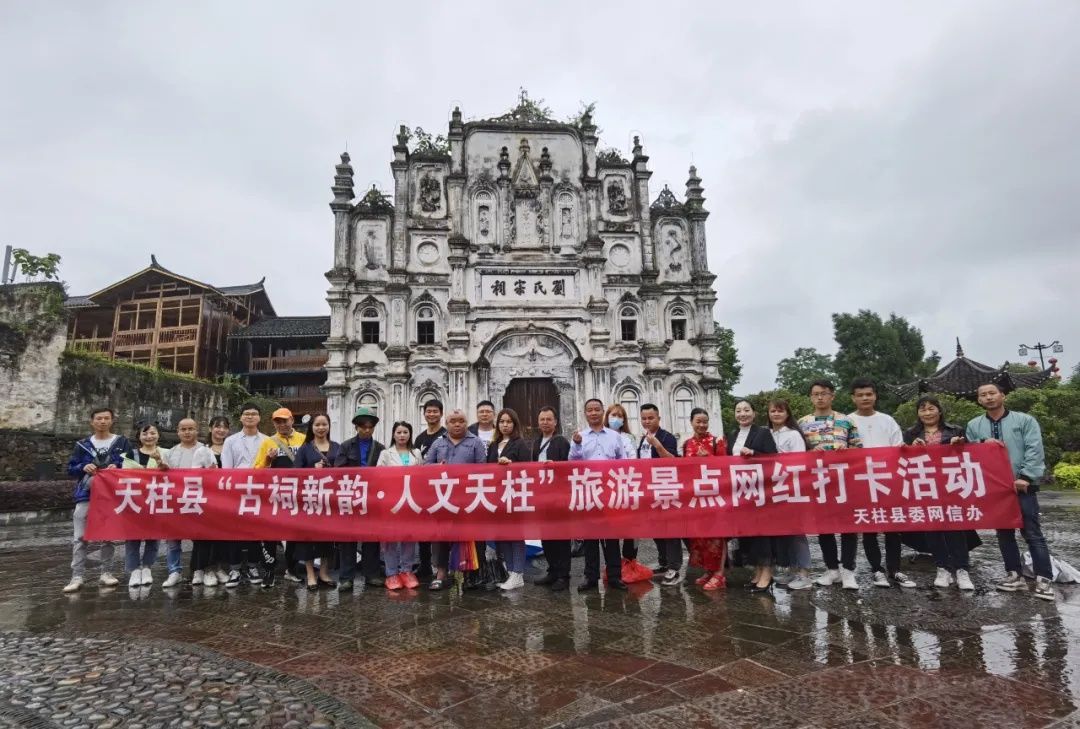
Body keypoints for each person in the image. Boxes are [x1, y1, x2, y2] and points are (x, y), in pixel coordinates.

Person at [966, 382, 1054, 601]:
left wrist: (1025, 476)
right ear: (979, 400)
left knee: (1032, 532)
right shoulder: (974, 425)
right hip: (995, 488)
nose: (988, 397)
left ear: (1002, 395)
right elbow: (969, 449)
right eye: (983, 395)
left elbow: (1035, 449)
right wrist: (983, 441)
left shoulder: (1024, 420)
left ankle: (1044, 578)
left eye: (992, 393)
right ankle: (1014, 574)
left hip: (1022, 485)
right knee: (1004, 533)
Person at [847, 378, 914, 589]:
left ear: (875, 396)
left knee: (893, 526)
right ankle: (877, 569)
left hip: (887, 480)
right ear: (853, 398)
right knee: (869, 527)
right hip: (860, 481)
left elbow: (897, 447)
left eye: (869, 394)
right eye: (860, 395)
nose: (865, 398)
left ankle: (895, 569)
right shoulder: (846, 421)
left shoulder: (888, 420)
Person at [903, 395, 973, 590]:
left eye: (931, 408)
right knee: (932, 528)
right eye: (923, 409)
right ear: (918, 413)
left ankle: (962, 569)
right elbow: (902, 457)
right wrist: (909, 449)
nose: (927, 412)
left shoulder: (955, 430)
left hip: (950, 484)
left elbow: (969, 456)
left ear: (939, 410)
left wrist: (959, 446)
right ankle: (942, 567)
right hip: (924, 485)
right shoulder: (911, 433)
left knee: (955, 528)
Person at [799, 380, 862, 590]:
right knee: (823, 527)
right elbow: (797, 453)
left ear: (832, 396)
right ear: (810, 397)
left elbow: (859, 449)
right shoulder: (803, 423)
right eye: (816, 394)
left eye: (824, 394)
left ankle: (848, 570)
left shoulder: (846, 421)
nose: (820, 398)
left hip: (844, 479)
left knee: (848, 526)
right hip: (818, 480)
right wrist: (809, 454)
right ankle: (832, 568)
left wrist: (848, 452)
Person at [570, 398, 635, 591]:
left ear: (602, 412)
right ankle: (590, 576)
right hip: (590, 491)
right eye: (589, 410)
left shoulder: (614, 436)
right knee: (590, 537)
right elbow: (573, 462)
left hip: (610, 491)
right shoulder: (579, 436)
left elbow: (622, 461)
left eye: (597, 409)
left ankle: (614, 575)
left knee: (612, 536)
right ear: (585, 413)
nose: (593, 413)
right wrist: (576, 445)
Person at [64, 407, 129, 593]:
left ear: (112, 420)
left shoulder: (121, 442)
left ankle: (106, 572)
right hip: (86, 494)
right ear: (92, 422)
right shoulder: (82, 444)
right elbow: (70, 468)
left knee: (108, 535)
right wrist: (83, 466)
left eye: (106, 418)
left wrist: (116, 467)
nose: (102, 421)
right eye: (99, 418)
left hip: (111, 495)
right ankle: (76, 576)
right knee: (79, 537)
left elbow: (130, 464)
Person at [425, 408, 489, 591]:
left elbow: (483, 469)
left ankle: (471, 574)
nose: (457, 424)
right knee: (441, 537)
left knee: (470, 536)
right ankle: (442, 573)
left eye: (461, 420)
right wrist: (437, 467)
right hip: (443, 498)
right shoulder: (438, 444)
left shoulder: (475, 442)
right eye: (453, 421)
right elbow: (425, 466)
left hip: (469, 498)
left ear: (466, 423)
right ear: (447, 424)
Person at [727, 400, 779, 592]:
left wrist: (754, 453)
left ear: (754, 413)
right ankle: (757, 572)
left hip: (760, 491)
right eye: (738, 410)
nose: (742, 414)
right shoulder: (731, 435)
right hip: (740, 492)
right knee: (749, 533)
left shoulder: (763, 432)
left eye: (746, 410)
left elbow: (773, 458)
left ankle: (767, 573)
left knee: (762, 533)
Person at [333, 406, 386, 592]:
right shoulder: (346, 446)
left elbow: (385, 474)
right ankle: (346, 577)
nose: (366, 429)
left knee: (372, 538)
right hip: (351, 497)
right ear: (356, 427)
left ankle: (371, 574)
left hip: (371, 499)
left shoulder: (380, 448)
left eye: (370, 426)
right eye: (362, 426)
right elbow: (338, 471)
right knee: (348, 539)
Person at [252, 408, 307, 588]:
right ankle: (269, 571)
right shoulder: (268, 442)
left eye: (285, 420)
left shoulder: (304, 439)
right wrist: (268, 460)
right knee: (270, 534)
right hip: (274, 495)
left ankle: (291, 569)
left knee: (295, 534)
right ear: (274, 423)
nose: (282, 424)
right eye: (278, 422)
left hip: (297, 495)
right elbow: (256, 471)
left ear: (292, 420)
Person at [161, 418, 217, 588]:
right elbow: (165, 478)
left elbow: (213, 475)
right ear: (178, 431)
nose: (187, 432)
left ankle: (201, 569)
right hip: (176, 500)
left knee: (201, 538)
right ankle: (174, 571)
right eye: (183, 429)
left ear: (197, 430)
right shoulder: (170, 453)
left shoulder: (205, 451)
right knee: (173, 539)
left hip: (199, 500)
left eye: (191, 429)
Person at [220, 402, 270, 587]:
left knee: (255, 531)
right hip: (237, 491)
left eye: (254, 413)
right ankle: (234, 568)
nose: (250, 416)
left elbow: (268, 468)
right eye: (246, 413)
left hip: (258, 492)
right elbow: (226, 468)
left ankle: (253, 566)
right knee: (234, 531)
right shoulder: (231, 440)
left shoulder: (267, 440)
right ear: (240, 417)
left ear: (259, 417)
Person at [767, 399, 814, 591]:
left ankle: (804, 573)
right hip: (773, 490)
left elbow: (799, 461)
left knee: (796, 532)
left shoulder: (794, 435)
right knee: (784, 533)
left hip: (791, 488)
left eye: (780, 411)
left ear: (787, 414)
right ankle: (791, 569)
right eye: (773, 411)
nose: (776, 414)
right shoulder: (767, 433)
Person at [294, 413, 340, 591]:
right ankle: (310, 573)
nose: (321, 428)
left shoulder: (336, 447)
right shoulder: (305, 448)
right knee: (308, 538)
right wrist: (311, 469)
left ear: (329, 426)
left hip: (330, 499)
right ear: (311, 428)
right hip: (310, 499)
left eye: (324, 424)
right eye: (317, 425)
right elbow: (295, 473)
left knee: (328, 537)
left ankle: (323, 571)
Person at [682, 407, 727, 591]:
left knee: (718, 536)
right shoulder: (687, 444)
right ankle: (709, 571)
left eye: (705, 421)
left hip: (715, 495)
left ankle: (720, 574)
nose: (702, 425)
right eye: (698, 421)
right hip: (696, 497)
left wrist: (709, 458)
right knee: (701, 537)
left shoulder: (717, 441)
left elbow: (726, 467)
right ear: (691, 422)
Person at [528, 406, 572, 591]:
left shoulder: (561, 442)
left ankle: (563, 574)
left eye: (549, 419)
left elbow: (568, 468)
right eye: (542, 419)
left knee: (561, 536)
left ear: (555, 422)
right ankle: (552, 570)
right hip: (541, 495)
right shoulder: (535, 443)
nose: (545, 422)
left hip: (558, 496)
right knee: (546, 536)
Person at [637, 403, 681, 587]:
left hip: (665, 488)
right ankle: (663, 563)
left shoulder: (667, 437)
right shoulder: (642, 439)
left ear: (658, 418)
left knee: (670, 529)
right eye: (644, 418)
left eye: (651, 418)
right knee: (656, 530)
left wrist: (658, 445)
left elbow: (673, 461)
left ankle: (674, 567)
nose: (647, 421)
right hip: (649, 490)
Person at [376, 421, 423, 591]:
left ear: (410, 434)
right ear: (393, 434)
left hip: (410, 501)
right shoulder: (385, 454)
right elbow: (378, 475)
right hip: (391, 501)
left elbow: (422, 475)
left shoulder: (416, 453)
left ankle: (407, 570)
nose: (402, 435)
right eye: (399, 432)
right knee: (390, 538)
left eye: (405, 432)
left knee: (408, 537)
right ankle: (391, 573)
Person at [488, 408, 530, 590]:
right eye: (502, 422)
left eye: (509, 422)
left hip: (514, 493)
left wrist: (511, 466)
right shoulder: (493, 445)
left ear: (514, 424)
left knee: (516, 535)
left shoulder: (520, 444)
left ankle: (518, 573)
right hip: (495, 495)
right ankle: (510, 570)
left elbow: (527, 469)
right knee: (503, 534)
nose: (505, 425)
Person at [120, 422, 166, 589]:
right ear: (139, 436)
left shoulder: (166, 453)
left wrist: (159, 462)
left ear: (158, 434)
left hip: (158, 499)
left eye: (152, 433)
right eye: (145, 434)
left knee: (154, 537)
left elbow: (172, 475)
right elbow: (125, 477)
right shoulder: (130, 456)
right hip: (135, 500)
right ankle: (133, 570)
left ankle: (147, 567)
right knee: (133, 536)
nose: (149, 437)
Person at [190, 415, 231, 587]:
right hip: (207, 498)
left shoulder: (230, 448)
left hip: (227, 499)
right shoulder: (202, 450)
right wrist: (209, 472)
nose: (220, 430)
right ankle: (205, 569)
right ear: (210, 428)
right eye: (217, 426)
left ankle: (219, 567)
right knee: (204, 535)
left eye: (224, 427)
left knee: (222, 535)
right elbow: (194, 474)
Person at [413, 398, 447, 579]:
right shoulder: (419, 438)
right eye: (428, 411)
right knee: (422, 528)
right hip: (422, 489)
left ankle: (440, 566)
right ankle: (424, 564)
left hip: (441, 488)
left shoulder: (446, 435)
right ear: (424, 413)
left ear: (441, 413)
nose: (431, 414)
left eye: (435, 411)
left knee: (440, 530)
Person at [604, 403, 639, 564]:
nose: (616, 419)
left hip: (627, 484)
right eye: (613, 415)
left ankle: (629, 561)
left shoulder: (629, 438)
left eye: (619, 416)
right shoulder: (602, 436)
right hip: (607, 486)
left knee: (630, 527)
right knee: (611, 527)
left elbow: (634, 460)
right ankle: (613, 565)